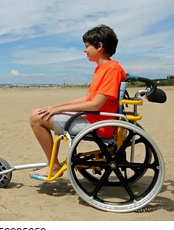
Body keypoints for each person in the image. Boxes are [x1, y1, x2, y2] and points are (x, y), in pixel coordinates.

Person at [29, 24, 126, 179]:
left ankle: (53, 165)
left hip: (98, 124)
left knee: (36, 119)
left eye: (87, 46)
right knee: (38, 112)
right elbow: (88, 98)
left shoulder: (111, 69)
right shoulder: (101, 68)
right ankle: (52, 163)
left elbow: (95, 104)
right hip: (92, 118)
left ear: (99, 46)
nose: (84, 50)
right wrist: (55, 107)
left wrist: (58, 110)